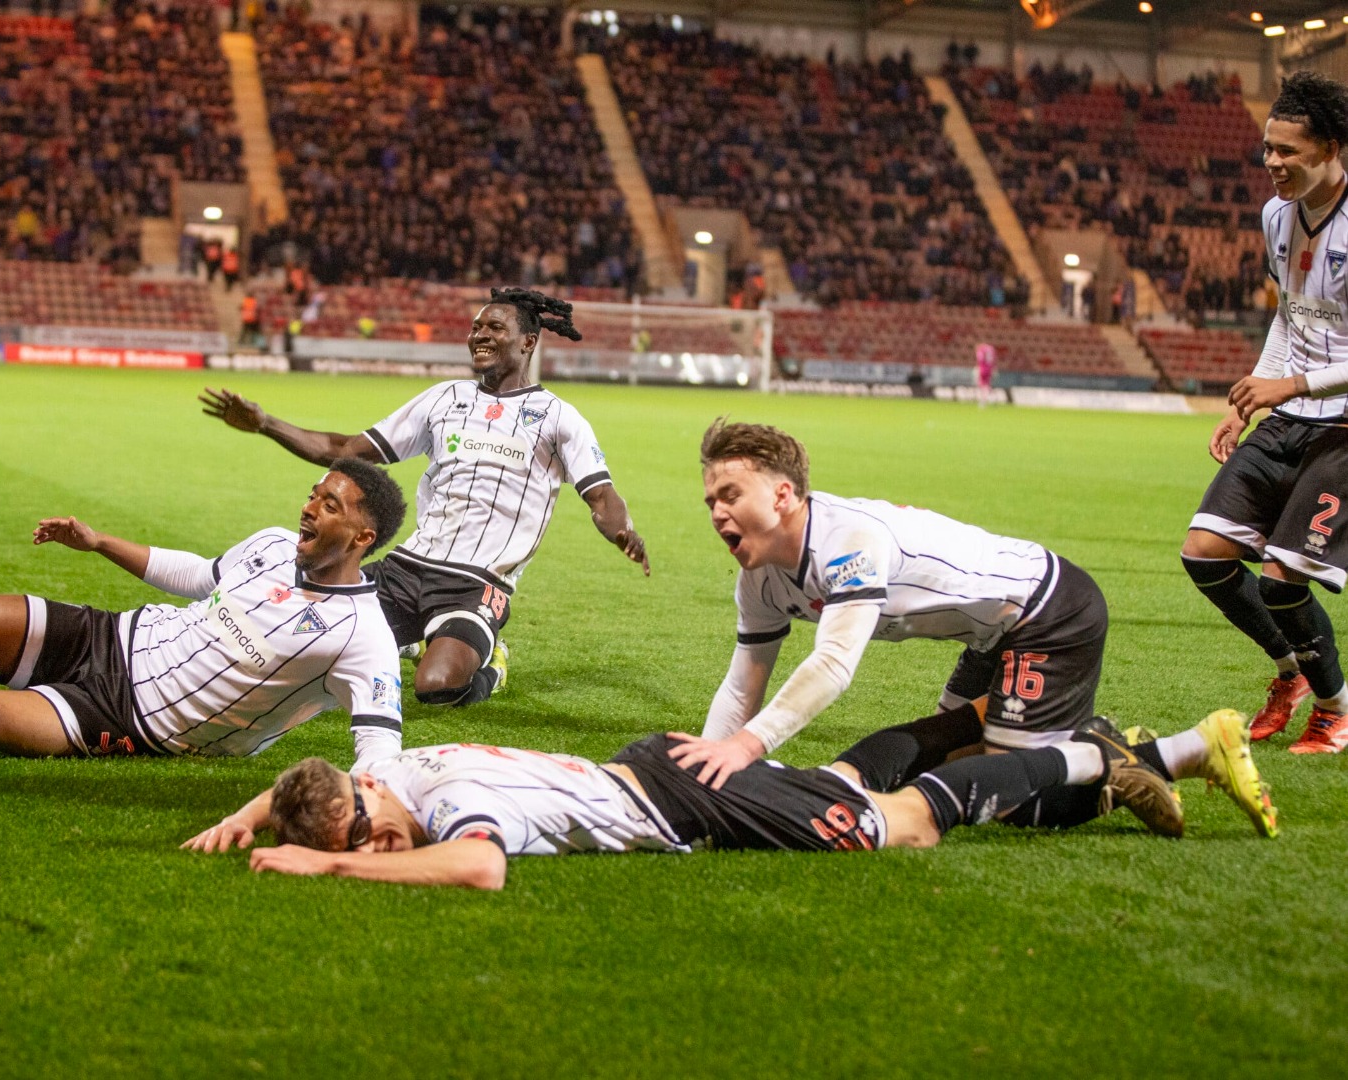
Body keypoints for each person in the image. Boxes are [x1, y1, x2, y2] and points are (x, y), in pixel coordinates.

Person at [664, 419, 1216, 838]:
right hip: (988, 634)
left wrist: (745, 747)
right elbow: (743, 686)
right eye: (711, 500)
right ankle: (1051, 734)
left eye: (731, 495)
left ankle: (1162, 751)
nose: (716, 513)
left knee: (1013, 799)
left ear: (782, 495)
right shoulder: (760, 579)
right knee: (946, 759)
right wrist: (704, 775)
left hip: (1047, 612)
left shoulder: (848, 543)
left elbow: (833, 664)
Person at [182, 707, 1274, 890]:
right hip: (650, 768)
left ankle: (1102, 753)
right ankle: (978, 717)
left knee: (893, 828)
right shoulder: (399, 772)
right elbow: (317, 787)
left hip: (682, 802)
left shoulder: (458, 801)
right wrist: (253, 813)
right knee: (841, 783)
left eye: (370, 838)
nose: (378, 848)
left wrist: (325, 859)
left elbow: (477, 868)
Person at [199, 287, 650, 708]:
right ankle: (408, 639)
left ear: (528, 342)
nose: (479, 335)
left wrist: (622, 531)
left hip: (475, 584)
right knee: (303, 641)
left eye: (495, 328)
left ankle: (493, 665)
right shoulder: (444, 398)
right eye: (476, 327)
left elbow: (602, 496)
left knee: (436, 687)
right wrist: (266, 424)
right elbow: (347, 450)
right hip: (407, 567)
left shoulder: (559, 418)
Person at [0, 460, 410, 766]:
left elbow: (379, 744)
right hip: (112, 637)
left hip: (131, 718)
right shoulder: (275, 544)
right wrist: (98, 542)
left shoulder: (363, 637)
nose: (309, 508)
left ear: (363, 537)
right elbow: (198, 575)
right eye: (312, 495)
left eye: (329, 505)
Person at [1181, 70, 1348, 754]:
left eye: (1287, 151)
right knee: (1204, 554)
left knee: (1281, 580)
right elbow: (1289, 314)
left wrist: (1293, 384)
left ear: (1330, 148)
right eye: (1267, 148)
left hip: (1343, 427)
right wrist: (1255, 394)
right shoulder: (1275, 215)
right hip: (1290, 412)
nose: (1272, 162)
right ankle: (1291, 672)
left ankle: (1335, 711)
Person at [974, 341, 997, 406]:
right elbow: (994, 359)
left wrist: (978, 368)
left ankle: (984, 401)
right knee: (987, 384)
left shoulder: (981, 350)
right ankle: (992, 397)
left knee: (982, 385)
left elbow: (980, 359)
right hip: (990, 369)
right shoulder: (991, 349)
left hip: (983, 369)